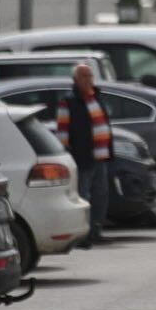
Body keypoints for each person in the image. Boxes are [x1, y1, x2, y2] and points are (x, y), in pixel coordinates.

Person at [57, 64, 114, 247]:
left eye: (90, 75)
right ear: (75, 80)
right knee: (84, 197)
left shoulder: (96, 97)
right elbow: (63, 132)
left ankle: (96, 231)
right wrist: (67, 154)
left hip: (101, 157)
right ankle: (83, 236)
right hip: (83, 158)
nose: (88, 79)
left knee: (101, 196)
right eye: (84, 76)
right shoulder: (69, 101)